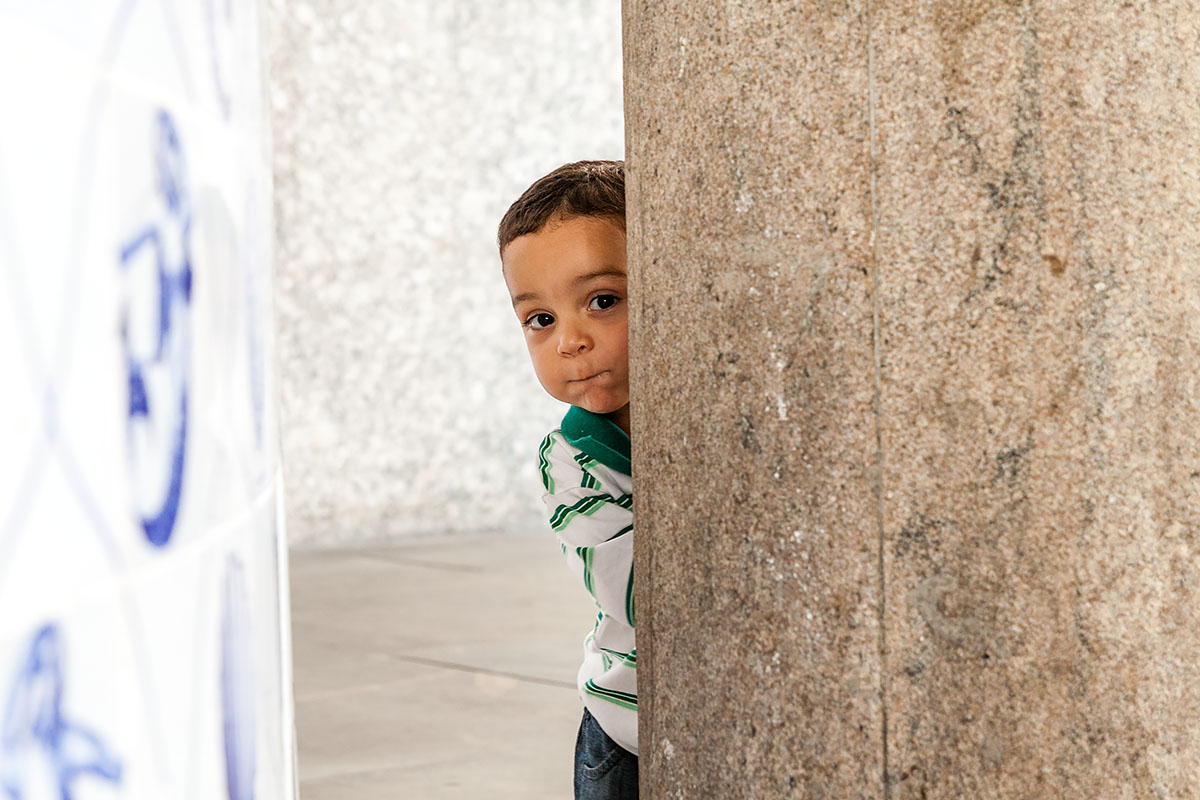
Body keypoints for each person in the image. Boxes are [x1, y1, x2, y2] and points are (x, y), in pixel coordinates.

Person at [498, 160, 638, 800]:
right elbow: (645, 596)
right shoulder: (577, 460)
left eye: (602, 302)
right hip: (625, 727)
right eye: (541, 320)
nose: (569, 342)